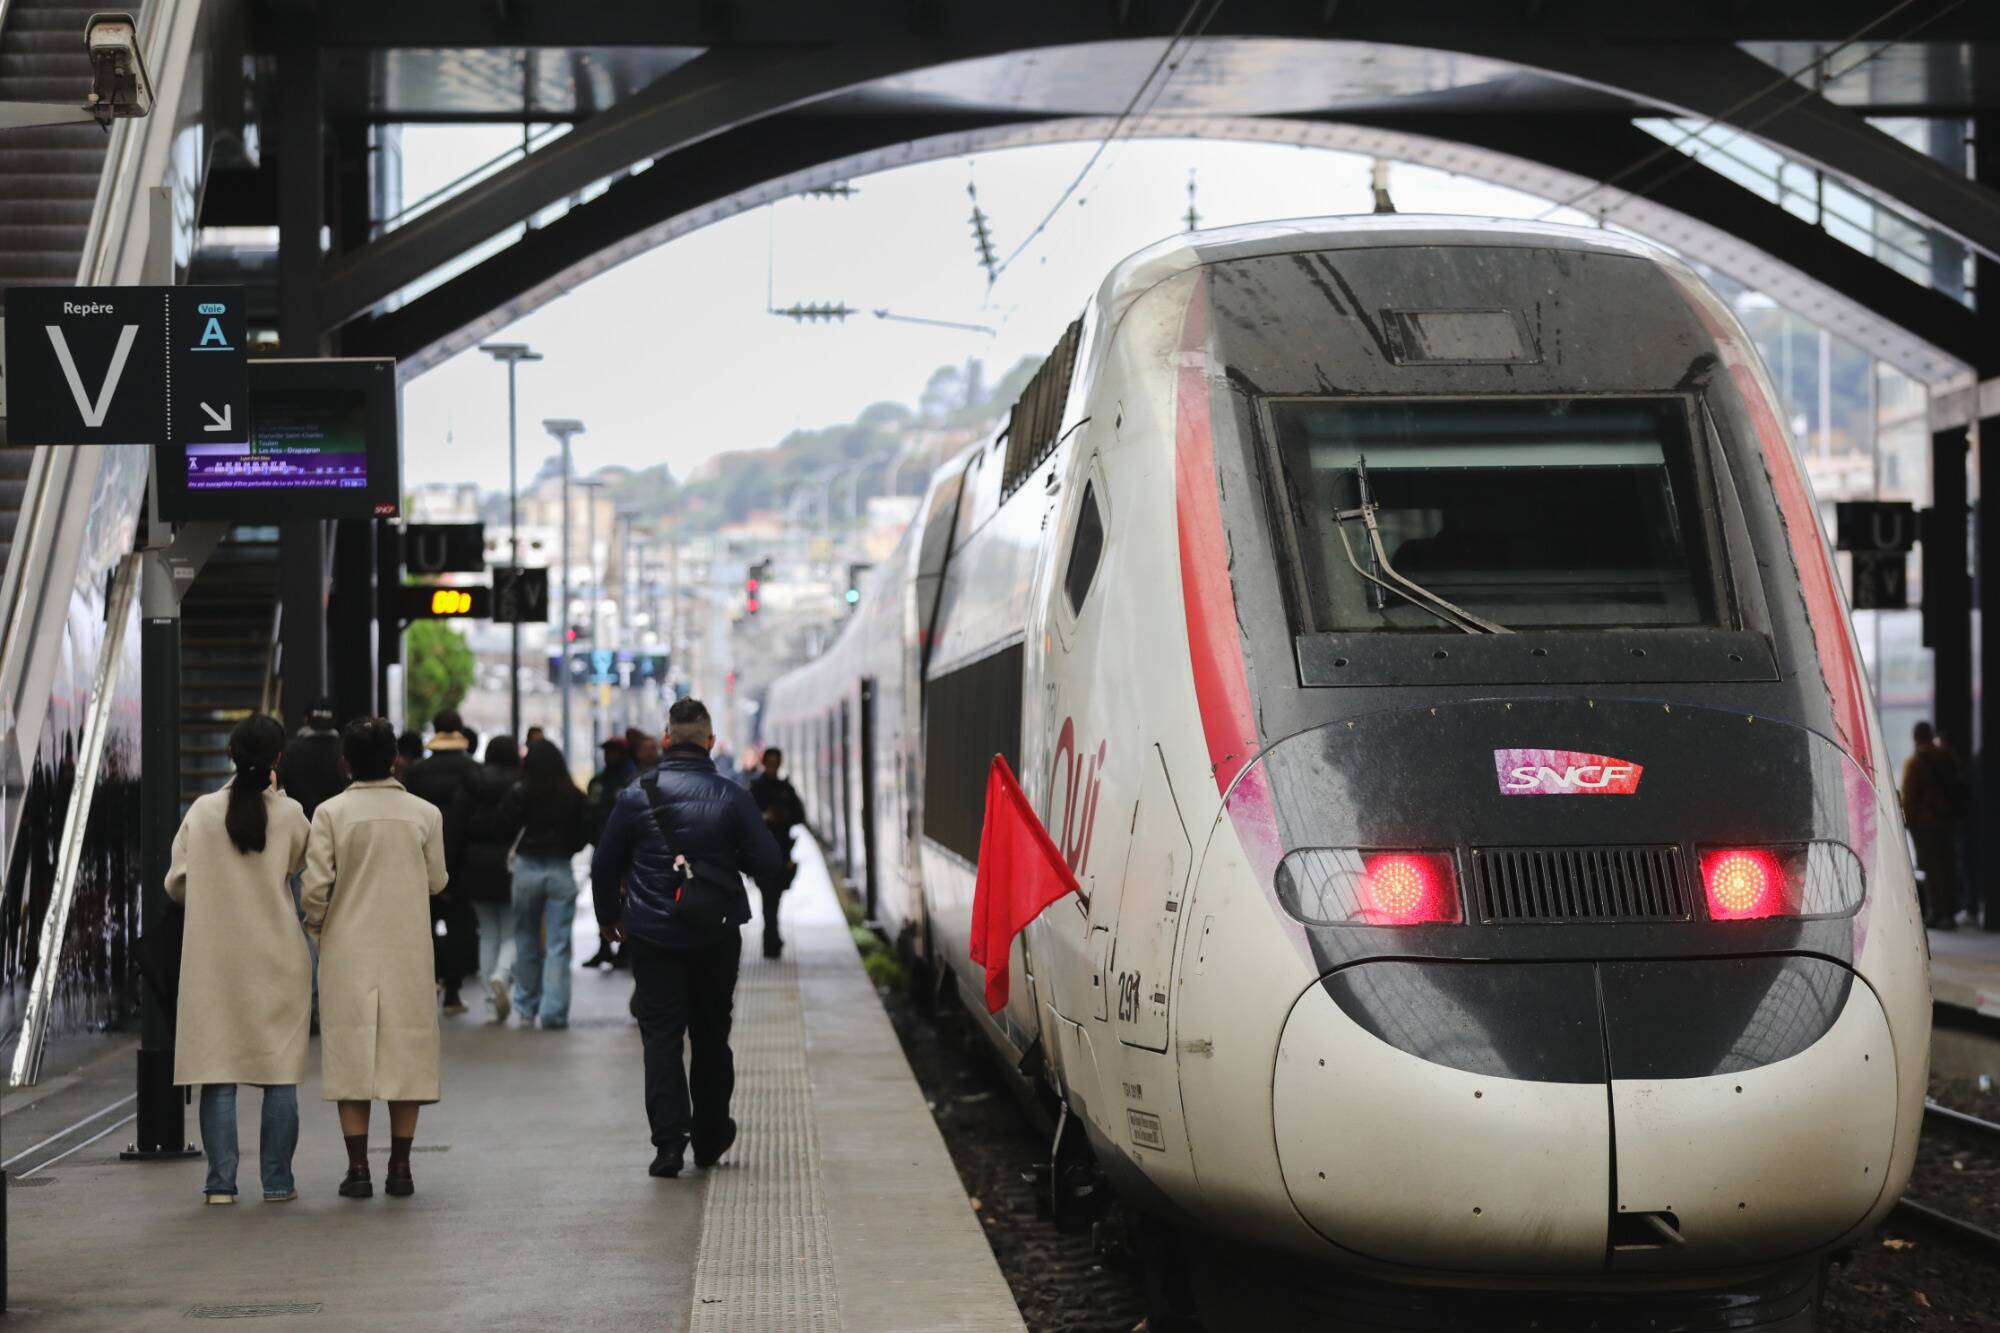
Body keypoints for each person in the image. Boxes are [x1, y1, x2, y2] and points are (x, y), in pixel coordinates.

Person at [592, 698, 787, 1178]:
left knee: (660, 1036)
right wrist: (727, 860)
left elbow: (604, 864)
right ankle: (711, 1135)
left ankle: (668, 1145)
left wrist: (608, 917)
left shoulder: (636, 795)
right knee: (710, 1034)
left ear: (664, 740)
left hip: (653, 937)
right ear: (710, 741)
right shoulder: (732, 795)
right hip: (714, 935)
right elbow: (769, 864)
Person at [166, 714, 312, 1205]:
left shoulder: (203, 812)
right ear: (277, 758)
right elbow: (302, 871)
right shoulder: (291, 814)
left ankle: (220, 1185)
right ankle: (277, 1182)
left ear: (230, 753)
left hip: (214, 959)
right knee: (279, 1073)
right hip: (277, 957)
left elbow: (177, 882)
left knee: (219, 1069)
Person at [301, 717, 449, 1199]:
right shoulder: (425, 814)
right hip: (407, 947)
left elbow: (315, 888)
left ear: (346, 763)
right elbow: (436, 881)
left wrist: (320, 928)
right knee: (406, 1053)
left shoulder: (328, 814)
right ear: (395, 760)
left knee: (351, 1055)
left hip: (347, 948)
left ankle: (359, 1168)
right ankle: (401, 1169)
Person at [503, 739, 593, 1028]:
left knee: (526, 938)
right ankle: (554, 1012)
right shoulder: (573, 795)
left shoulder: (520, 793)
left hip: (527, 868)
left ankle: (527, 1007)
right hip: (559, 869)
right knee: (558, 945)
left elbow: (501, 825)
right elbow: (584, 834)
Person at [404, 709, 481, 1014]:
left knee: (426, 925)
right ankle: (453, 990)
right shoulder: (474, 770)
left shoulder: (417, 772)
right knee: (460, 926)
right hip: (463, 861)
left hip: (421, 859)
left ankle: (429, 981)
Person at [451, 734, 522, 1021]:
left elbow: (455, 828)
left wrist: (453, 869)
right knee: (512, 931)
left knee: (488, 932)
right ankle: (502, 975)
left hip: (475, 866)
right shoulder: (521, 783)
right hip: (511, 865)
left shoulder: (471, 783)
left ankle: (492, 1002)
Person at [1902, 720, 1969, 930]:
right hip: (1947, 821)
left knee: (1933, 869)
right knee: (1948, 866)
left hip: (1925, 823)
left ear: (1915, 737)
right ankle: (1950, 910)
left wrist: (1908, 823)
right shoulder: (1947, 756)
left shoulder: (1915, 762)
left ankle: (1938, 912)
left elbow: (1909, 797)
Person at [581, 738, 636, 969]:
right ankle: (604, 946)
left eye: (614, 752)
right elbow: (590, 814)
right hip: (601, 847)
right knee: (602, 894)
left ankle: (625, 947)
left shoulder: (632, 781)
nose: (609, 756)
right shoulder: (598, 782)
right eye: (606, 751)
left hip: (627, 851)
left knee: (627, 899)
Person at [748, 747, 806, 959]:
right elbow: (746, 820)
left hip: (782, 851)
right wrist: (764, 817)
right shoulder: (755, 788)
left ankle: (772, 936)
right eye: (769, 763)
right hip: (762, 852)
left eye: (776, 763)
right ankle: (770, 940)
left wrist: (784, 816)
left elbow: (800, 816)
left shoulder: (786, 788)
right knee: (768, 898)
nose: (773, 767)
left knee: (775, 897)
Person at [279, 698, 347, 822]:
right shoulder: (346, 750)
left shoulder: (288, 750)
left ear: (306, 720)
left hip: (300, 824)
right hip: (338, 823)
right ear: (335, 720)